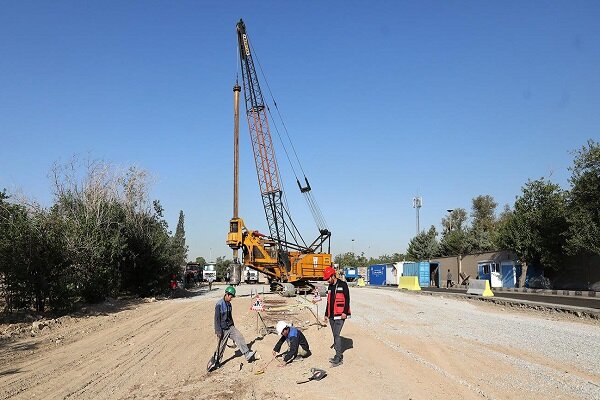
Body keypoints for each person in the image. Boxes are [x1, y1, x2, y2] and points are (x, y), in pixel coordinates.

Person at [213, 286, 258, 368]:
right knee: (221, 347)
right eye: (231, 296)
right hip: (223, 329)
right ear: (226, 294)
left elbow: (230, 316)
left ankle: (247, 354)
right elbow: (216, 319)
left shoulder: (229, 304)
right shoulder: (219, 304)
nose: (231, 298)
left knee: (239, 337)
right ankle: (216, 362)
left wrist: (233, 326)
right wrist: (218, 331)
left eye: (232, 297)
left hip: (230, 327)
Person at [322, 265, 350, 367]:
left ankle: (339, 357)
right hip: (331, 315)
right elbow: (328, 302)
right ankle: (337, 354)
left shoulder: (343, 284)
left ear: (333, 276)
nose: (327, 281)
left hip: (340, 315)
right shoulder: (330, 286)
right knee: (334, 334)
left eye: (328, 278)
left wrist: (345, 312)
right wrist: (326, 314)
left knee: (337, 334)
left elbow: (347, 299)